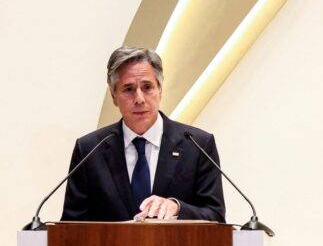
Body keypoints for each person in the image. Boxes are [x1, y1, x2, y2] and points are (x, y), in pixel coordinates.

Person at [60, 46, 225, 222]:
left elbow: (216, 217)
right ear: (114, 96)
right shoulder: (89, 150)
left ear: (160, 90)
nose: (139, 99)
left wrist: (178, 208)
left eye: (147, 87)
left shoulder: (197, 145)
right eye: (128, 89)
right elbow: (71, 226)